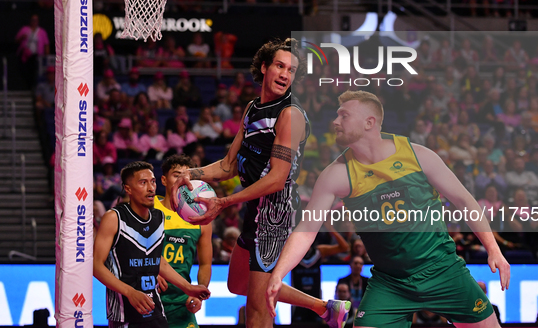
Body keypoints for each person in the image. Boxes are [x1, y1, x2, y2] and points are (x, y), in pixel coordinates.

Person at [266, 90, 510, 328]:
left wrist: (493, 249)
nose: (335, 121)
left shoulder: (418, 156)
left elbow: (464, 201)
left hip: (442, 269)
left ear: (369, 122)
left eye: (344, 115)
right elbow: (308, 229)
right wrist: (278, 274)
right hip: (390, 282)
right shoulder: (336, 174)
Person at [170, 38, 350, 328]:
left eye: (291, 70)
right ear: (264, 67)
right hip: (255, 208)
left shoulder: (289, 114)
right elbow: (228, 165)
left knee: (257, 309)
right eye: (279, 66)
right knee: (238, 283)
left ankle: (322, 309)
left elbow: (277, 179)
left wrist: (224, 202)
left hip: (276, 215)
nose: (284, 74)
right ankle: (324, 307)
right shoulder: (253, 109)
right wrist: (190, 174)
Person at [93, 161, 210, 327]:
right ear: (128, 189)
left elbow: (158, 260)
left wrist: (187, 287)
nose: (150, 188)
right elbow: (96, 266)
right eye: (143, 182)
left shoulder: (158, 218)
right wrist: (130, 292)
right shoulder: (114, 218)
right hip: (124, 311)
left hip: (154, 308)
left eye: (153, 182)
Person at [155, 155, 213, 328]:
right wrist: (150, 269)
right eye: (176, 175)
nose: (182, 180)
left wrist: (198, 292)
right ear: (164, 180)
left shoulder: (201, 218)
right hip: (148, 299)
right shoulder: (149, 209)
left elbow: (205, 265)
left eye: (187, 176)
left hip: (182, 302)